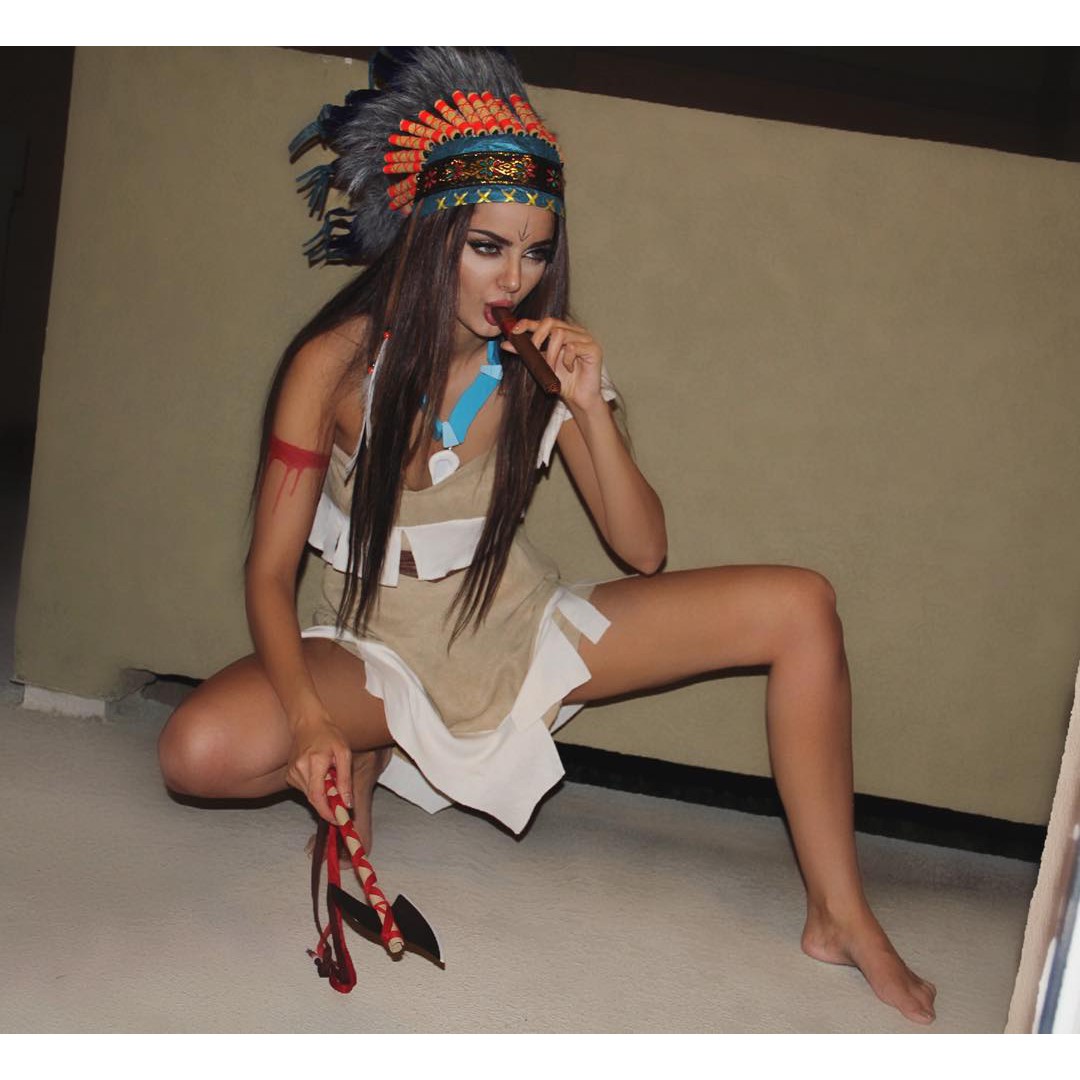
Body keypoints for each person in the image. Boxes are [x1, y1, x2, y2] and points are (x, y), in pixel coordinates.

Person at [157, 47, 936, 1025]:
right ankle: (366, 743)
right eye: (488, 247)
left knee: (802, 604)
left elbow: (643, 549)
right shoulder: (336, 364)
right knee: (196, 750)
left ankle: (839, 915)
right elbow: (269, 574)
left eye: (533, 253)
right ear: (432, 229)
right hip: (370, 647)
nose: (514, 278)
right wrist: (313, 721)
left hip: (517, 631)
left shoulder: (536, 359)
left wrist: (589, 407)